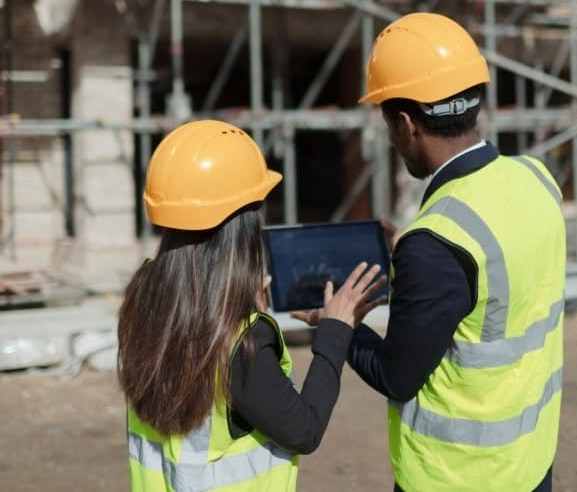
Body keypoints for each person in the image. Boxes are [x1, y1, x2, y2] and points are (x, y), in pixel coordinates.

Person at [350, 12, 566, 491]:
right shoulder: (537, 180)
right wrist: (413, 257)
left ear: (405, 124)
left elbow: (395, 375)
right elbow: (488, 289)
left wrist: (338, 325)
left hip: (458, 477)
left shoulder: (435, 243)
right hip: (530, 462)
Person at [118, 120, 385, 491]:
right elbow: (304, 431)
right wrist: (336, 330)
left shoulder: (143, 297)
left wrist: (242, 305)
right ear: (244, 221)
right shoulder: (238, 341)